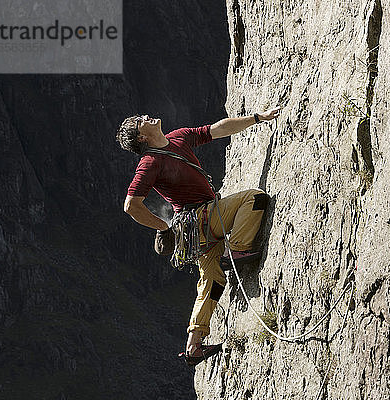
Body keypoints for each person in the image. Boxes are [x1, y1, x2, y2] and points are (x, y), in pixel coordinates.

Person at [116, 107, 280, 366]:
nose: (146, 117)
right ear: (142, 139)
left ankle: (193, 345)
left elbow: (219, 128)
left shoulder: (179, 137)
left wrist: (258, 118)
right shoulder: (149, 162)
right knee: (254, 198)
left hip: (196, 231)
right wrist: (163, 227)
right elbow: (130, 205)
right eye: (140, 122)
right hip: (202, 218)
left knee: (212, 280)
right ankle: (236, 250)